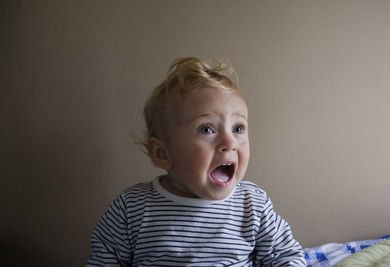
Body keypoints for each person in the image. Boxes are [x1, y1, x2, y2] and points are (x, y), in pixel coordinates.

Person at [87, 57, 306, 266]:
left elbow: (284, 254)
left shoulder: (252, 204)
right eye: (206, 129)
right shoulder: (132, 208)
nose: (229, 142)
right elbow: (105, 260)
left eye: (238, 128)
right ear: (163, 153)